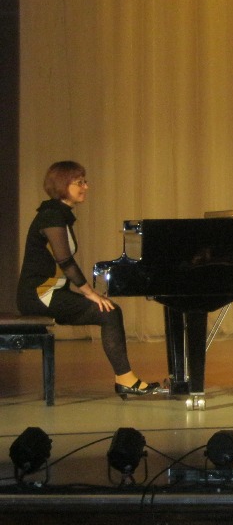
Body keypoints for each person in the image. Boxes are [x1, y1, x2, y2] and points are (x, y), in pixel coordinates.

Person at [17, 161, 160, 398]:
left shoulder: (58, 215)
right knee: (109, 312)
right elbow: (65, 262)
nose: (86, 186)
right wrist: (90, 293)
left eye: (85, 181)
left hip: (50, 292)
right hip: (38, 295)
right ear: (63, 185)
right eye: (79, 182)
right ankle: (126, 380)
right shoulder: (51, 217)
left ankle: (125, 379)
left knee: (109, 311)